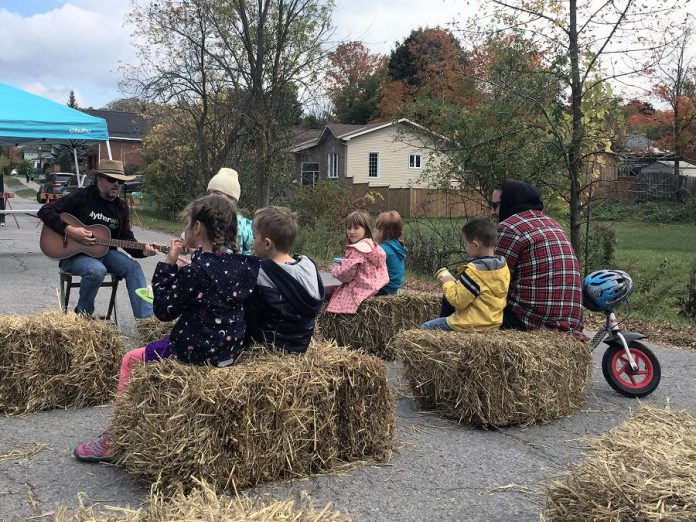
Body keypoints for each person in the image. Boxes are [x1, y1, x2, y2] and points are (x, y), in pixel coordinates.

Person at [73, 193, 260, 462]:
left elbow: (163, 311)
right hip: (229, 351)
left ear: (196, 228)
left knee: (130, 360)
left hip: (193, 352)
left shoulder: (196, 271)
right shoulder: (245, 265)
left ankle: (114, 438)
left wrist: (168, 264)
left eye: (187, 224)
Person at [37, 160, 155, 319]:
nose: (116, 184)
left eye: (120, 182)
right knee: (96, 271)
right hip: (74, 255)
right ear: (99, 179)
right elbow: (45, 211)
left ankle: (146, 320)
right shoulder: (82, 196)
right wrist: (70, 230)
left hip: (105, 253)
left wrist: (144, 251)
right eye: (111, 180)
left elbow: (127, 239)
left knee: (133, 268)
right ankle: (84, 317)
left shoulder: (121, 207)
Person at [490, 180, 583, 335]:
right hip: (571, 323)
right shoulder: (553, 224)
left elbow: (492, 280)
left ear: (509, 202)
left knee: (462, 301)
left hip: (532, 321)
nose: (492, 212)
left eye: (495, 205)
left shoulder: (510, 227)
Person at [245, 206, 324, 353]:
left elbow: (251, 315)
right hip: (302, 345)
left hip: (272, 348)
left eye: (254, 237)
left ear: (267, 243)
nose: (252, 243)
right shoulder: (308, 266)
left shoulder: (261, 272)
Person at [422, 217, 510, 331]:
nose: (465, 247)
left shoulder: (474, 271)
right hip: (493, 323)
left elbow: (458, 301)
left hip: (470, 324)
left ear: (475, 245)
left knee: (426, 327)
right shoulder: (502, 267)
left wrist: (448, 282)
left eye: (466, 244)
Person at [327, 210, 389, 314]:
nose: (351, 231)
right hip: (374, 286)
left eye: (356, 228)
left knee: (329, 294)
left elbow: (346, 275)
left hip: (359, 288)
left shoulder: (356, 249)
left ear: (366, 229)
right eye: (349, 228)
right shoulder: (373, 246)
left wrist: (335, 270)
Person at [207, 167, 254, 255]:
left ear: (232, 198)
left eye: (217, 193)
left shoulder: (246, 226)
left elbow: (249, 253)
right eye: (209, 192)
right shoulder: (206, 219)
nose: (210, 197)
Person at [373, 210, 407, 295]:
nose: (374, 230)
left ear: (385, 231)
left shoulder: (383, 249)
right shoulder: (397, 246)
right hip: (394, 288)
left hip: (384, 289)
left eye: (377, 227)